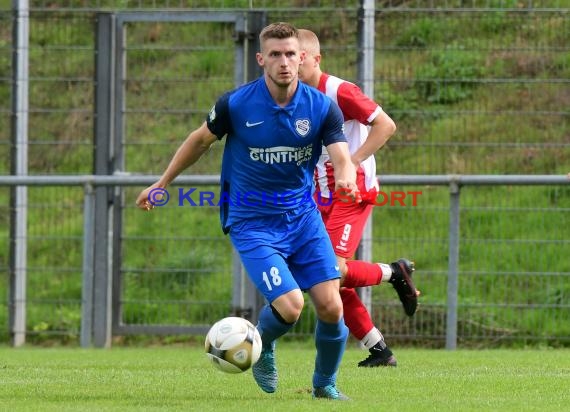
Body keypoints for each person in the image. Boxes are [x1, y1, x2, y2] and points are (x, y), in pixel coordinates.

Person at [136, 22, 356, 401]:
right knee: (291, 306)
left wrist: (346, 177)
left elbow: (341, 155)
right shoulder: (236, 105)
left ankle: (324, 386)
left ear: (301, 57)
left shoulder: (321, 107)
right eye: (275, 54)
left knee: (332, 305)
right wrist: (162, 182)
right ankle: (263, 344)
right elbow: (199, 140)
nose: (284, 62)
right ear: (261, 60)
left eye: (290, 54)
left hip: (302, 218)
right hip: (251, 221)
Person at [298, 29, 420, 367]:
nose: (292, 63)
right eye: (287, 56)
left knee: (331, 270)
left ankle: (394, 272)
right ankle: (378, 349)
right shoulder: (294, 98)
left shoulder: (339, 90)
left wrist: (350, 163)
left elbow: (386, 125)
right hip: (320, 197)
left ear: (315, 59)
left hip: (353, 189)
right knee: (323, 278)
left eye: (299, 57)